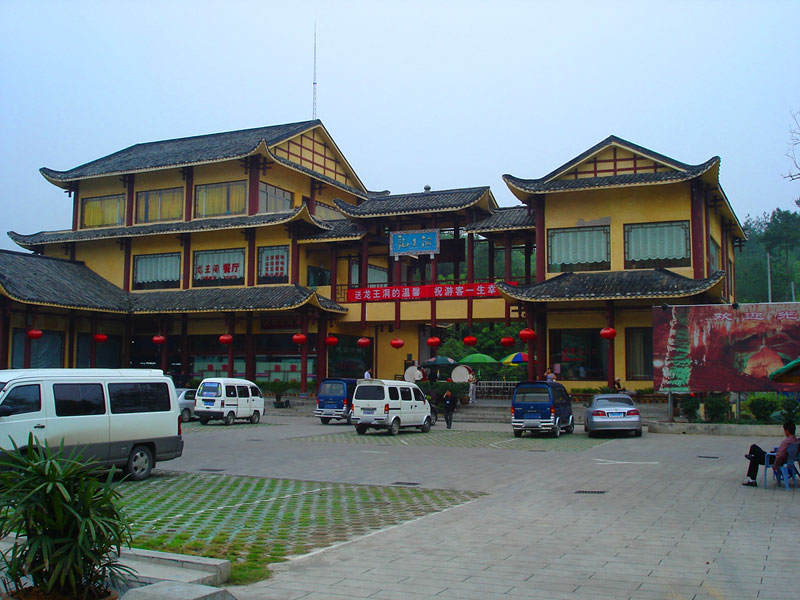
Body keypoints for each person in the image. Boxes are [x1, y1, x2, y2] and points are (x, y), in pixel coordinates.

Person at [742, 421, 797, 486]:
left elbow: (780, 455)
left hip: (772, 459)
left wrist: (775, 465)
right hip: (781, 459)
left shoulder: (786, 441)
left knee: (753, 447)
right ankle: (752, 480)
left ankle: (751, 457)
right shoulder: (795, 440)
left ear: (787, 431)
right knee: (754, 458)